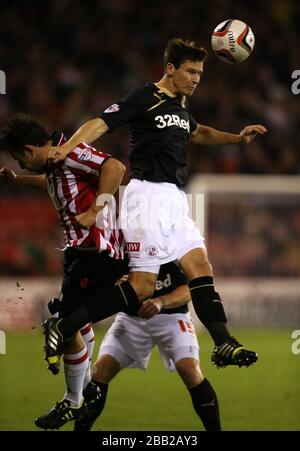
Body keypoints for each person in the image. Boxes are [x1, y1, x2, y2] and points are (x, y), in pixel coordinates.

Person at [32, 38, 267, 369]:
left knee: (201, 267)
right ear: (170, 69)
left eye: (200, 73)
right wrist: (68, 146)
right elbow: (100, 122)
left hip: (174, 199)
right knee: (141, 287)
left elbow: (197, 133)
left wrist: (237, 138)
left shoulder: (181, 104)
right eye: (190, 71)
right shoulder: (144, 97)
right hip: (146, 197)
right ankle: (65, 325)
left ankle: (224, 343)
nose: (196, 79)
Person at [0, 113, 127, 429]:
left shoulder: (69, 152)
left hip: (94, 251)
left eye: (19, 159)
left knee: (63, 326)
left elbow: (115, 167)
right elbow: (52, 182)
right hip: (81, 253)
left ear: (30, 149)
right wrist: (19, 181)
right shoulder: (56, 165)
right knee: (78, 324)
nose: (21, 164)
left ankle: (76, 400)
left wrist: (95, 209)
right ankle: (85, 393)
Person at [74, 262, 221, 432]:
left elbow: (189, 289)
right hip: (131, 320)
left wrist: (160, 301)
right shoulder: (120, 252)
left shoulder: (168, 248)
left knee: (189, 368)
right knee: (101, 370)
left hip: (173, 318)